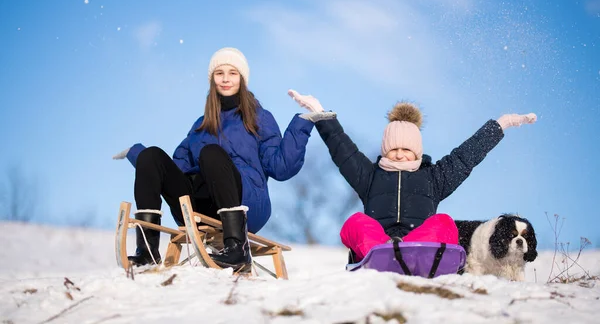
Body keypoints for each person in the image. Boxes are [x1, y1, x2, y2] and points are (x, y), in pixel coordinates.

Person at [112, 48, 333, 271]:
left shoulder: (259, 118)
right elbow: (176, 169)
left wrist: (304, 122)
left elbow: (281, 167)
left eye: (232, 73)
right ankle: (148, 250)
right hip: (199, 206)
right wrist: (139, 156)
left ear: (242, 79)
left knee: (211, 154)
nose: (225, 79)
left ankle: (236, 248)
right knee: (152, 155)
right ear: (212, 79)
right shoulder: (201, 125)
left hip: (245, 204)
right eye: (219, 73)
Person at [288, 89, 537, 262]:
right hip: (379, 244)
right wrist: (320, 113)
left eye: (405, 150)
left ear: (416, 151)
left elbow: (466, 156)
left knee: (445, 224)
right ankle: (384, 252)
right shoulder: (370, 176)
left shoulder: (433, 178)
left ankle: (410, 252)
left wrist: (500, 124)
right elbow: (343, 150)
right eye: (393, 149)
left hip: (421, 247)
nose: (398, 155)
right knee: (355, 222)